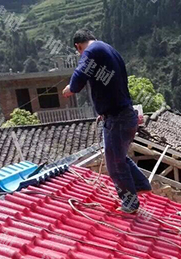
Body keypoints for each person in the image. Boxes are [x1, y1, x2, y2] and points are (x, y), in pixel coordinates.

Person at [63, 29, 151, 213]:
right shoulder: (108, 49)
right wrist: (104, 109)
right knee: (118, 157)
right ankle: (141, 184)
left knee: (114, 163)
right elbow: (113, 84)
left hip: (117, 117)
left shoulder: (91, 52)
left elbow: (78, 80)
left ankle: (130, 203)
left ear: (78, 46)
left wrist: (69, 88)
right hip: (124, 113)